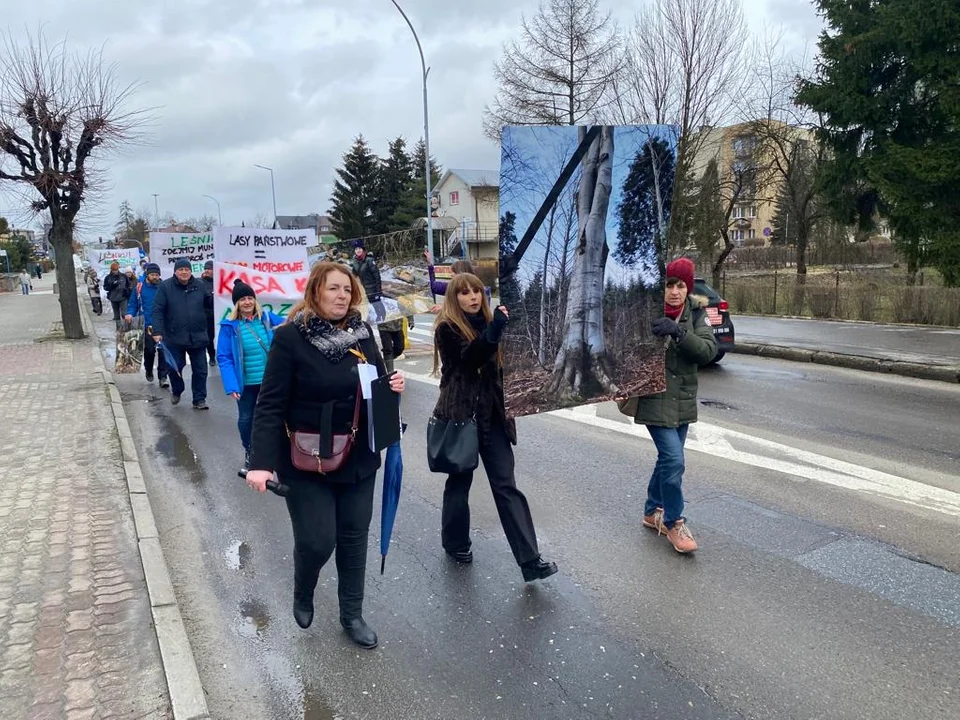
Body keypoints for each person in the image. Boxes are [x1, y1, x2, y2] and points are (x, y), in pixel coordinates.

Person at [245, 262, 405, 649]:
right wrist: (261, 463)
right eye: (333, 289)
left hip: (358, 458)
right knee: (318, 541)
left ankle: (352, 614)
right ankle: (304, 589)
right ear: (315, 291)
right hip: (306, 460)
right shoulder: (290, 339)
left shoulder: (362, 334)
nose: (341, 296)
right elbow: (269, 405)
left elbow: (377, 382)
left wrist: (392, 386)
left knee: (353, 539)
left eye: (347, 291)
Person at [432, 273, 558, 583]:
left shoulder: (494, 325)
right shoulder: (447, 329)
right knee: (459, 484)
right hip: (463, 416)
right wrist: (495, 329)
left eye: (476, 290)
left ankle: (530, 560)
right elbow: (471, 357)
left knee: (506, 486)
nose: (473, 297)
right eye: (464, 293)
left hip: (495, 417)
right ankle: (455, 543)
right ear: (454, 298)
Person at [624, 257, 717, 554]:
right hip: (654, 398)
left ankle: (652, 512)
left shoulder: (696, 314)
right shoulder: (646, 313)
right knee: (675, 461)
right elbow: (625, 349)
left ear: (687, 287)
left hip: (683, 401)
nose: (674, 291)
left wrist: (678, 333)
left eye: (680, 285)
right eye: (668, 285)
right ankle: (675, 523)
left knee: (667, 460)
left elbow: (707, 351)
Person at [216, 279, 285, 473]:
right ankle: (250, 450)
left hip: (270, 381)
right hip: (245, 383)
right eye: (243, 299)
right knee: (247, 418)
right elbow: (224, 357)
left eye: (250, 298)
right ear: (237, 304)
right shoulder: (229, 326)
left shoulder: (268, 319)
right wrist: (231, 385)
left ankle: (276, 451)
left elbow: (291, 325)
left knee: (275, 416)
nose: (247, 302)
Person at [151, 258, 214, 409]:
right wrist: (157, 331)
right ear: (175, 271)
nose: (184, 272)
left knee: (200, 370)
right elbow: (158, 309)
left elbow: (209, 304)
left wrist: (220, 295)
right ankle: (177, 390)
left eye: (187, 269)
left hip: (198, 335)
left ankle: (199, 399)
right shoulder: (165, 287)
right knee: (174, 367)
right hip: (174, 337)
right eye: (181, 270)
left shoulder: (199, 285)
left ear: (191, 271)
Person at [126, 263, 169, 388]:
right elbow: (133, 303)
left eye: (157, 275)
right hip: (147, 325)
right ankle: (149, 369)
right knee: (150, 351)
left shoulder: (164, 287)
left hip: (162, 324)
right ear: (147, 275)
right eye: (152, 275)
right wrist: (129, 314)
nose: (155, 277)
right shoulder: (139, 287)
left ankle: (163, 377)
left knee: (163, 351)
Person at [423, 250, 491, 312]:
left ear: (460, 273)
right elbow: (431, 285)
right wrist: (429, 265)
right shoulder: (452, 287)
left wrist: (446, 307)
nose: (451, 275)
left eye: (453, 272)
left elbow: (474, 310)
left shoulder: (481, 290)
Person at [102, 262, 132, 329]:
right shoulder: (108, 278)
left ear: (118, 269)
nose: (115, 272)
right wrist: (112, 286)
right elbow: (105, 287)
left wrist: (127, 291)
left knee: (124, 313)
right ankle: (119, 328)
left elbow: (129, 285)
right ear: (111, 270)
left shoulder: (124, 276)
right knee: (116, 315)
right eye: (113, 270)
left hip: (123, 297)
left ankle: (127, 327)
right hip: (113, 298)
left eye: (116, 270)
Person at [201, 260, 217, 367]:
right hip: (207, 315)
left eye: (209, 269)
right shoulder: (201, 282)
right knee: (209, 337)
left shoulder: (220, 281)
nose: (207, 271)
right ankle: (211, 356)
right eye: (206, 269)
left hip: (219, 314)